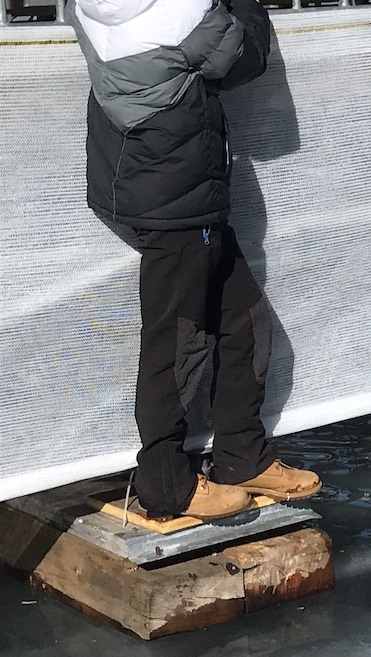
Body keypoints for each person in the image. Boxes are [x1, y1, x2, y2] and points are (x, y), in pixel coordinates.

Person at [66, 0, 321, 519]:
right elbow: (243, 56)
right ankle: (166, 486)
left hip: (144, 177)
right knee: (177, 342)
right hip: (176, 195)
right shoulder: (179, 11)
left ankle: (242, 457)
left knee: (243, 321)